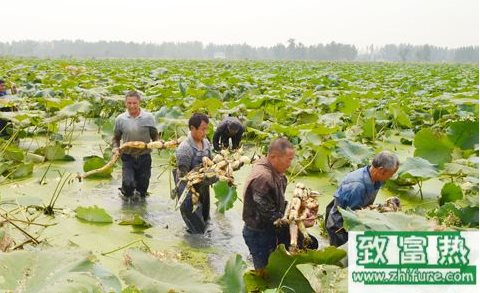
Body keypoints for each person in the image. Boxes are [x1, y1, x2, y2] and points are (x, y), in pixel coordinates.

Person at [242, 138, 295, 276]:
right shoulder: (263, 177)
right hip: (258, 232)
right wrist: (293, 221)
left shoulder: (275, 171)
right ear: (273, 157)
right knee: (264, 273)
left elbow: (277, 204)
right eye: (288, 159)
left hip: (266, 229)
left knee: (271, 268)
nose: (290, 164)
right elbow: (268, 213)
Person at [325, 151, 399, 247]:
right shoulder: (357, 186)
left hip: (355, 215)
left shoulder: (376, 178)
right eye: (391, 174)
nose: (391, 177)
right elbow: (350, 218)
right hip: (340, 229)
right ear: (381, 170)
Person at [112, 90, 158, 200]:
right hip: (128, 157)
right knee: (128, 184)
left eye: (134, 103)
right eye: (129, 103)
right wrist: (115, 148)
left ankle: (140, 211)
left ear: (139, 103)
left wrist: (158, 143)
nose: (132, 106)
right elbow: (116, 138)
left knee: (142, 189)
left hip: (144, 157)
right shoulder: (120, 119)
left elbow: (155, 136)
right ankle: (126, 202)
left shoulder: (149, 117)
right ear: (125, 103)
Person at [175, 113, 213, 234]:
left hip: (203, 186)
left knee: (206, 220)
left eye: (206, 129)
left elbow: (211, 163)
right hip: (188, 189)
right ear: (192, 128)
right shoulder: (184, 149)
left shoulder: (206, 143)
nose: (205, 132)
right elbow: (183, 176)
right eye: (203, 129)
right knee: (196, 228)